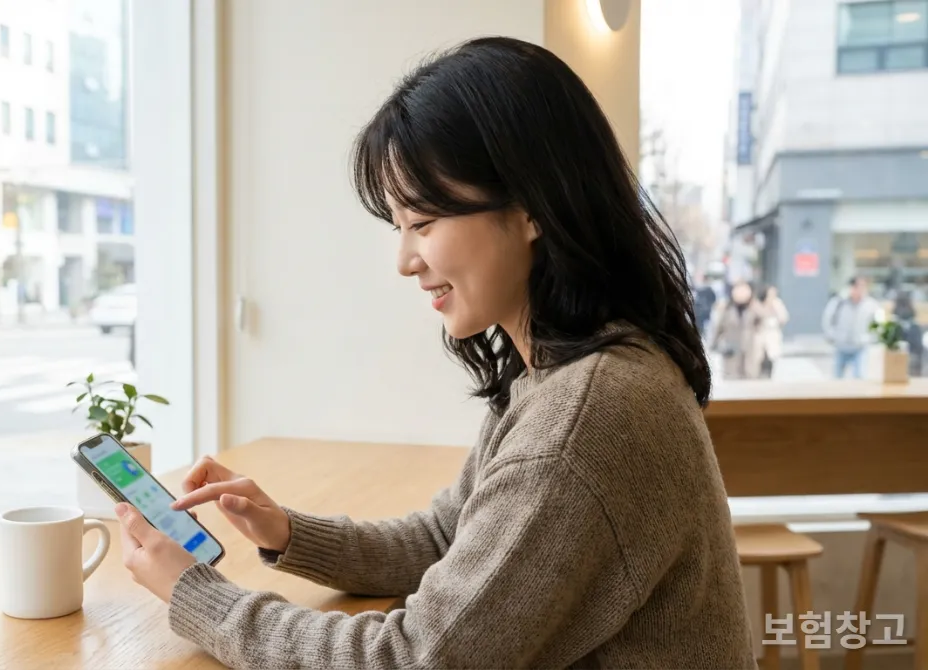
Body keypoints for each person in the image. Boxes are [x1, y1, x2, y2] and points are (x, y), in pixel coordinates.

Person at [109, 37, 754, 668]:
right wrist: (286, 530)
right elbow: (447, 538)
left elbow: (415, 658)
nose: (405, 261)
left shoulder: (584, 421)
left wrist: (196, 596)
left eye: (424, 222)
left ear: (532, 207)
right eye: (401, 227)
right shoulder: (567, 373)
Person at [822, 276, 880, 379]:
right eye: (858, 286)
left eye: (863, 287)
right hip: (841, 345)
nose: (861, 290)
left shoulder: (871, 305)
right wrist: (832, 335)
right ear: (852, 287)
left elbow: (877, 323)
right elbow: (828, 319)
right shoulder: (839, 302)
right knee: (837, 377)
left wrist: (870, 337)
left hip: (860, 346)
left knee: (860, 376)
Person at [757, 285, 790, 379]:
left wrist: (775, 309)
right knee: (760, 357)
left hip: (773, 334)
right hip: (761, 333)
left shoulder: (778, 303)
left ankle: (769, 375)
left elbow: (784, 318)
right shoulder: (759, 303)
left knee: (771, 358)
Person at [892, 290, 924, 377]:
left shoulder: (913, 324)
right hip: (900, 354)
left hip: (912, 351)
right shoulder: (896, 323)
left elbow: (918, 346)